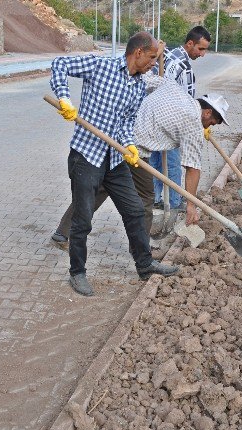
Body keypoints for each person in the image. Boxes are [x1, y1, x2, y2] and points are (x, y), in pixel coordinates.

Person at [49, 32, 179, 297]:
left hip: (115, 159)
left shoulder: (139, 85)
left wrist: (129, 144)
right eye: (153, 57)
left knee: (134, 210)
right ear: (138, 53)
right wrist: (64, 98)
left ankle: (144, 264)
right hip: (86, 155)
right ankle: (78, 272)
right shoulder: (101, 65)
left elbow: (126, 122)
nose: (154, 63)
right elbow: (59, 64)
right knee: (83, 219)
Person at [135, 73, 229, 226]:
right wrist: (191, 206)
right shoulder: (193, 126)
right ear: (207, 112)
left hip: (120, 134)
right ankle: (141, 246)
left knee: (104, 186)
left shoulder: (175, 88)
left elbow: (144, 78)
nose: (210, 126)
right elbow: (193, 169)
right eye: (212, 122)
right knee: (145, 200)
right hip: (134, 151)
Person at [150, 26, 212, 212]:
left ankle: (154, 197)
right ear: (190, 43)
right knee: (173, 163)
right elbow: (183, 101)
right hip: (170, 123)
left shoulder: (168, 54)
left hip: (154, 118)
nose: (202, 55)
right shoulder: (183, 67)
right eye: (200, 49)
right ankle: (175, 203)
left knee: (155, 162)